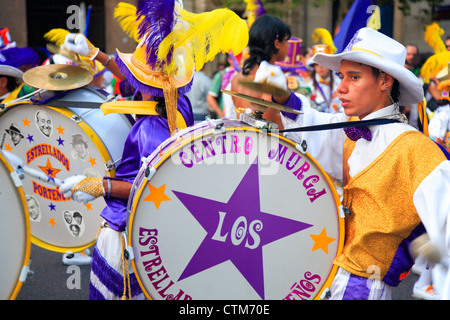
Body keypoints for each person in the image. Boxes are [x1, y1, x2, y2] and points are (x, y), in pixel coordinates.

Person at [57, 0, 248, 300]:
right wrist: (94, 53)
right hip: (155, 230)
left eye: (136, 74)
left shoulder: (151, 129)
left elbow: (151, 186)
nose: (130, 77)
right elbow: (130, 75)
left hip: (129, 233)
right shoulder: (175, 103)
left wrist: (96, 185)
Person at [249, 27, 450, 300]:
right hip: (328, 278)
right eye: (342, 77)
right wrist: (284, 97)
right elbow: (315, 125)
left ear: (385, 81)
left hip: (366, 289)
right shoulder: (352, 129)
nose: (341, 88)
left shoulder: (418, 150)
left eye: (354, 77)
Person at [230, 14, 291, 129]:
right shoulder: (275, 79)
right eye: (286, 41)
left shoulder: (236, 78)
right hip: (270, 144)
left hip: (243, 142)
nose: (288, 46)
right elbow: (266, 124)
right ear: (277, 43)